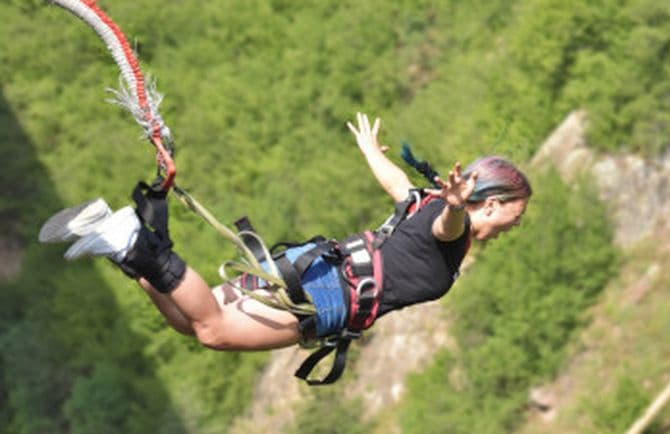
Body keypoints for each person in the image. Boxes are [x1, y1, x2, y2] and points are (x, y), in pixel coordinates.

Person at [39, 112, 531, 357]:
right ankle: (132, 240)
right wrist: (455, 207)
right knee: (212, 331)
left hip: (316, 266)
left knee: (191, 322)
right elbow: (450, 226)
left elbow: (397, 184)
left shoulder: (423, 200)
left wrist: (368, 150)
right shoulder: (452, 224)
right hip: (325, 295)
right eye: (517, 216)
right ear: (491, 203)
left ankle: (122, 248)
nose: (516, 227)